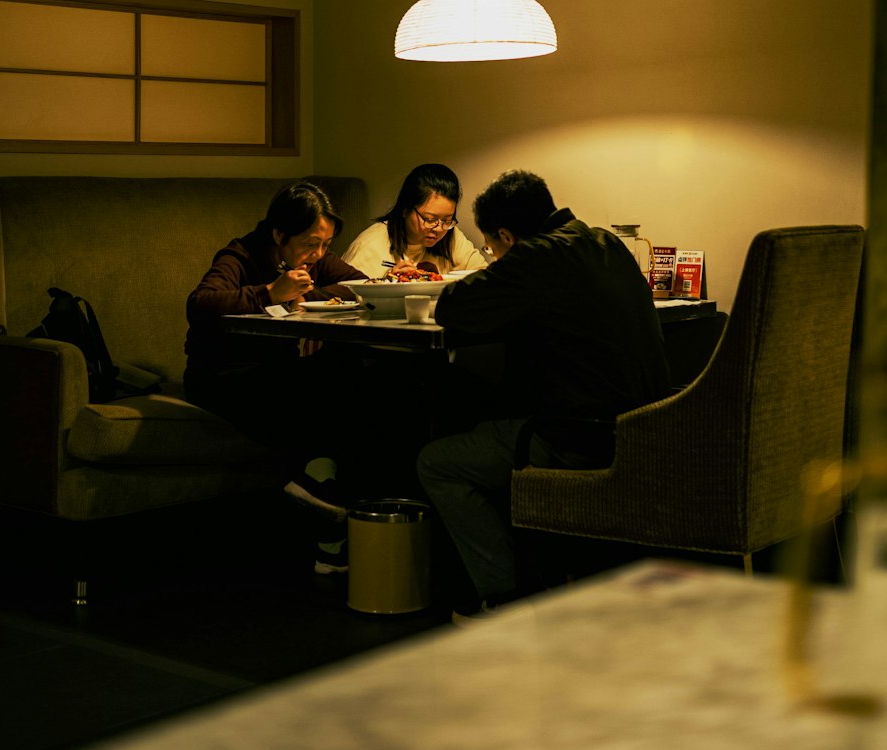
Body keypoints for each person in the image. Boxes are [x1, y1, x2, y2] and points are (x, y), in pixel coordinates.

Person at [416, 169, 671, 621]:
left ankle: (505, 598)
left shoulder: (535, 256)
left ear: (507, 236)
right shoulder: (607, 243)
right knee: (491, 423)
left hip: (580, 441)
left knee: (438, 463)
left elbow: (455, 308)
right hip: (644, 433)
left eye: (492, 248)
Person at [183, 180, 368, 576]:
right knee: (312, 395)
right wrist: (269, 292)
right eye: (310, 243)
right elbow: (200, 303)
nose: (318, 254)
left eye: (325, 244)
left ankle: (321, 497)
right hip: (221, 376)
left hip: (276, 370)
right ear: (279, 233)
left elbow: (359, 286)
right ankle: (321, 505)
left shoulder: (315, 259)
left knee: (355, 372)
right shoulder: (240, 254)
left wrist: (305, 296)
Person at [342, 162, 487, 278]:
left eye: (447, 220)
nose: (438, 228)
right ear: (406, 209)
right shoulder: (371, 245)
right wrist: (387, 281)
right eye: (430, 219)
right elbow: (345, 297)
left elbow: (485, 276)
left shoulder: (450, 235)